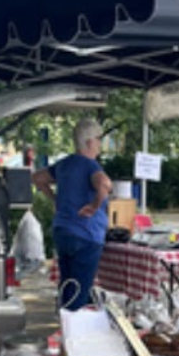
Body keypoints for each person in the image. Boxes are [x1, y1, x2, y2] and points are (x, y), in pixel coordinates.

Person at [31, 119, 112, 309]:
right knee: (80, 291)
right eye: (99, 139)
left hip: (63, 231)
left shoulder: (64, 164)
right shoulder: (91, 166)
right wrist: (94, 205)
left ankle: (64, 325)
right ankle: (75, 328)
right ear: (90, 142)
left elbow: (37, 178)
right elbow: (104, 184)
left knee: (67, 285)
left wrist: (54, 198)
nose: (100, 144)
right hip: (86, 234)